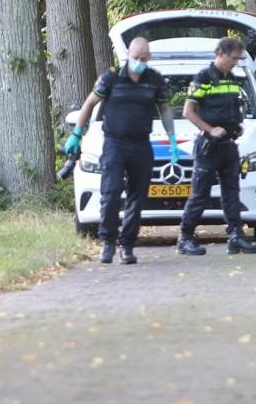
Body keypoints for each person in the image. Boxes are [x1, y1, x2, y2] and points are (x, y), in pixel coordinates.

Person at [65, 37, 179, 265]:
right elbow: (89, 104)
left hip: (141, 144)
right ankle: (108, 243)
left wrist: (172, 138)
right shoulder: (112, 77)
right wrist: (77, 134)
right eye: (136, 58)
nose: (139, 62)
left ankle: (127, 246)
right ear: (128, 55)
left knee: (137, 198)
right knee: (111, 193)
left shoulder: (154, 79)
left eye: (144, 59)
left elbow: (164, 109)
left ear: (149, 57)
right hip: (115, 143)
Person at [177, 36, 256, 256]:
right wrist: (209, 129)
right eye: (233, 58)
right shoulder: (204, 78)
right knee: (200, 195)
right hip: (209, 147)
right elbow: (188, 111)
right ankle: (185, 238)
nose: (236, 62)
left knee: (232, 193)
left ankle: (236, 236)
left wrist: (237, 127)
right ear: (220, 53)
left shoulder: (232, 79)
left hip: (229, 146)